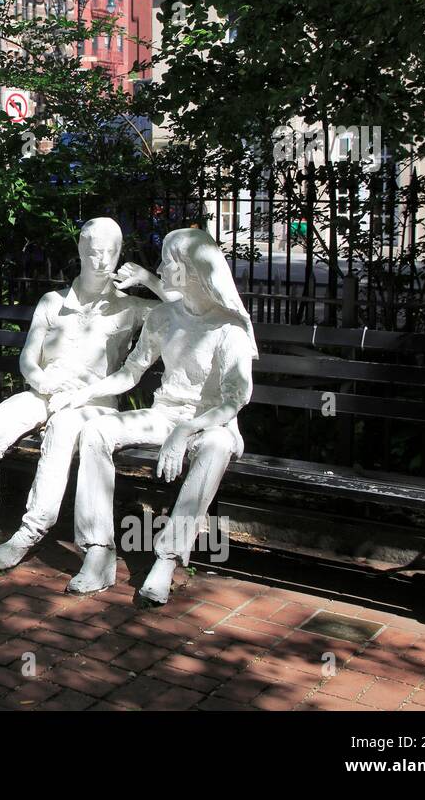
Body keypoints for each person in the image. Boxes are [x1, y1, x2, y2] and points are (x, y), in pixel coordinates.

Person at [50, 228, 257, 604]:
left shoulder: (230, 329)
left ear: (188, 272)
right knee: (95, 430)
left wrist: (185, 432)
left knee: (216, 447)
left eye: (167, 263)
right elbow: (131, 372)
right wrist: (86, 392)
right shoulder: (164, 317)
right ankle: (97, 551)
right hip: (164, 415)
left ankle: (167, 558)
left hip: (211, 423)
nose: (159, 268)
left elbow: (234, 401)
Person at [0, 219, 165, 567]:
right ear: (80, 250)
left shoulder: (131, 307)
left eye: (112, 252)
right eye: (94, 251)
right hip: (45, 393)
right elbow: (28, 360)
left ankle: (29, 531)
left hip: (93, 403)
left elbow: (186, 314)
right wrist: (44, 383)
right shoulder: (52, 302)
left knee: (61, 436)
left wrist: (149, 280)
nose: (103, 260)